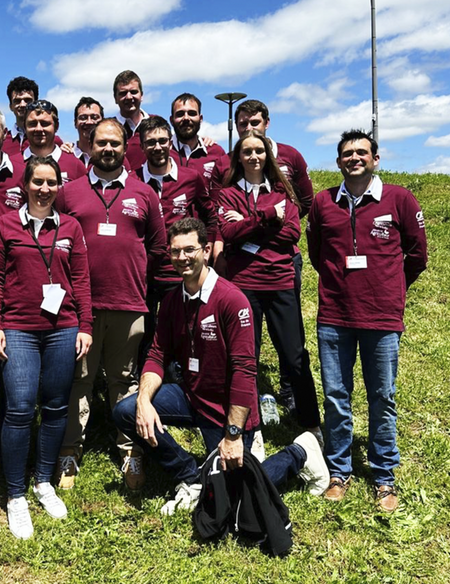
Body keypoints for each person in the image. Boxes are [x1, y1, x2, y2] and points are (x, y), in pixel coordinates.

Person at [112, 218, 328, 515]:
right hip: (192, 398)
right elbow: (157, 354)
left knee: (236, 498)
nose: (182, 258)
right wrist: (144, 400)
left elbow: (245, 371)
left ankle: (300, 452)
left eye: (190, 249)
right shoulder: (174, 300)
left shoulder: (232, 300)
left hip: (228, 411)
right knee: (126, 411)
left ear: (206, 249)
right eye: (175, 251)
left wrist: (233, 435)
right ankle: (189, 474)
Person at [307, 129, 427, 512]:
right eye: (347, 153)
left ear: (376, 158)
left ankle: (383, 476)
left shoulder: (400, 199)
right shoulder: (324, 203)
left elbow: (417, 254)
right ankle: (339, 471)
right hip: (334, 316)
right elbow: (316, 253)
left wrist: (391, 287)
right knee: (336, 398)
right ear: (339, 161)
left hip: (381, 318)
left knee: (382, 397)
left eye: (362, 152)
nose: (354, 158)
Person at [54, 118, 168, 491]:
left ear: (124, 147)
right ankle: (70, 449)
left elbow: (156, 246)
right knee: (79, 380)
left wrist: (132, 274)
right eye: (100, 143)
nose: (107, 149)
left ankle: (129, 449)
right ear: (89, 145)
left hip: (128, 302)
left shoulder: (144, 193)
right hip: (79, 306)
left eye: (115, 144)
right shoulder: (68, 193)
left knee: (124, 380)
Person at [0, 156, 93, 539]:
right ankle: (15, 493)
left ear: (59, 185)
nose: (45, 189)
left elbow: (81, 279)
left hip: (63, 328)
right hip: (18, 329)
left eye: (51, 183)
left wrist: (86, 326)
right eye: (38, 182)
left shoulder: (71, 227)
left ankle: (42, 480)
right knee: (17, 407)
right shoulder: (6, 225)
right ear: (25, 186)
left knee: (55, 406)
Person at [217, 131, 322, 446]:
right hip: (243, 286)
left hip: (279, 283)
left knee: (294, 356)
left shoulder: (283, 194)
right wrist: (264, 217)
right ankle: (245, 422)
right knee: (243, 356)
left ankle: (312, 423)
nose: (253, 156)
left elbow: (290, 234)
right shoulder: (228, 194)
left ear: (268, 156)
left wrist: (248, 225)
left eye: (259, 151)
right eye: (246, 151)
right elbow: (227, 231)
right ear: (238, 157)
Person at [135, 115, 216, 366]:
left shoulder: (191, 178)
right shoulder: (132, 179)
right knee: (143, 335)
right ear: (141, 146)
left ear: (171, 142)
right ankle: (142, 380)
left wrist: (209, 250)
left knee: (182, 332)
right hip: (144, 274)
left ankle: (182, 381)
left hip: (180, 272)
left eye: (162, 141)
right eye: (150, 142)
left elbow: (210, 217)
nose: (157, 147)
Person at [23, 100, 86, 183]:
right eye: (32, 124)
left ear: (56, 126)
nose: (38, 129)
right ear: (25, 127)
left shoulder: (75, 165)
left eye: (45, 124)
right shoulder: (11, 166)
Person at [169, 93, 226, 183]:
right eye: (180, 114)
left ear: (201, 119)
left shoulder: (216, 152)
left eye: (192, 113)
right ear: (171, 120)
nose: (186, 118)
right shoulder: (163, 152)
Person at [2, 76, 62, 158]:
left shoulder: (54, 141)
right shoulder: (1, 143)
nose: (22, 104)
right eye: (17, 101)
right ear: (10, 106)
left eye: (27, 100)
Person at [113, 70, 152, 171]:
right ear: (115, 98)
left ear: (141, 95)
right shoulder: (107, 128)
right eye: (123, 93)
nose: (129, 97)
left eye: (133, 92)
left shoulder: (157, 124)